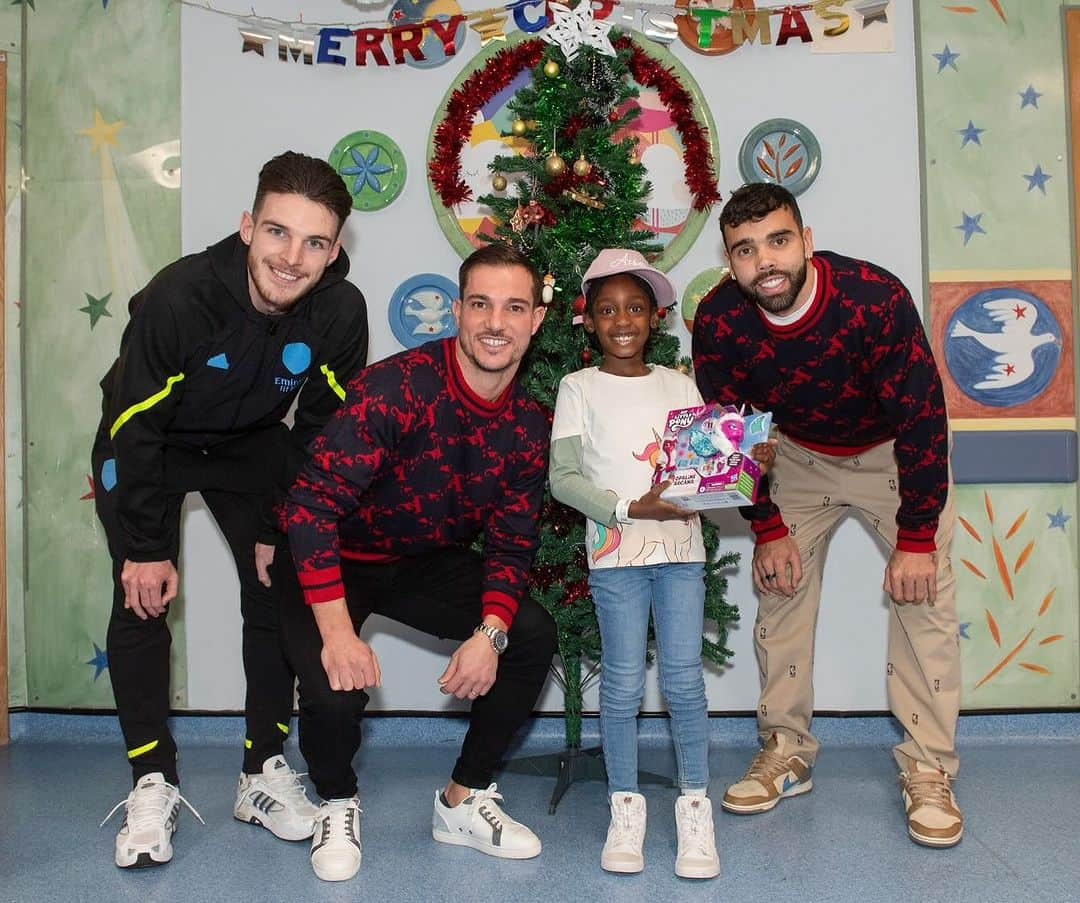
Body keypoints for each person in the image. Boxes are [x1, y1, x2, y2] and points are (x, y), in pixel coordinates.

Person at [94, 151, 370, 868]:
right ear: (248, 226)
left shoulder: (340, 310)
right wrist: (145, 544)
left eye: (315, 242)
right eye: (277, 232)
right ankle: (151, 779)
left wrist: (282, 526)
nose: (291, 257)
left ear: (334, 249)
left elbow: (320, 433)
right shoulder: (181, 297)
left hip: (248, 444)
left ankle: (260, 773)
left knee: (278, 592)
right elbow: (135, 425)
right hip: (151, 440)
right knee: (142, 598)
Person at [273, 242, 558, 882]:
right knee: (336, 687)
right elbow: (311, 507)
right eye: (481, 303)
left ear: (536, 320)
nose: (495, 322)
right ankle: (336, 802)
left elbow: (512, 542)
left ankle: (462, 800)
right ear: (457, 310)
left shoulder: (529, 426)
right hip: (331, 554)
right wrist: (340, 633)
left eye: (515, 308)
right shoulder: (396, 389)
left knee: (529, 633)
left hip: (422, 559)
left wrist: (489, 634)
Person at [692, 182, 962, 848]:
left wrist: (917, 536)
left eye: (779, 240)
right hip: (797, 458)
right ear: (731, 263)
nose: (766, 262)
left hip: (890, 453)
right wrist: (768, 528)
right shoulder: (720, 321)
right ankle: (786, 748)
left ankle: (928, 766)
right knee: (780, 590)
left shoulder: (875, 299)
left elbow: (924, 417)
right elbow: (730, 435)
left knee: (922, 595)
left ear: (807, 241)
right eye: (746, 250)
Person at [549, 249, 774, 879]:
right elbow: (564, 479)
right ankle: (627, 808)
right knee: (621, 684)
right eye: (608, 309)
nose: (623, 319)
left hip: (680, 556)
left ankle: (694, 809)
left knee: (682, 682)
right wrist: (628, 506)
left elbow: (706, 472)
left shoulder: (682, 385)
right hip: (615, 558)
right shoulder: (578, 388)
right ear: (588, 320)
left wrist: (748, 460)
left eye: (636, 307)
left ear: (656, 316)